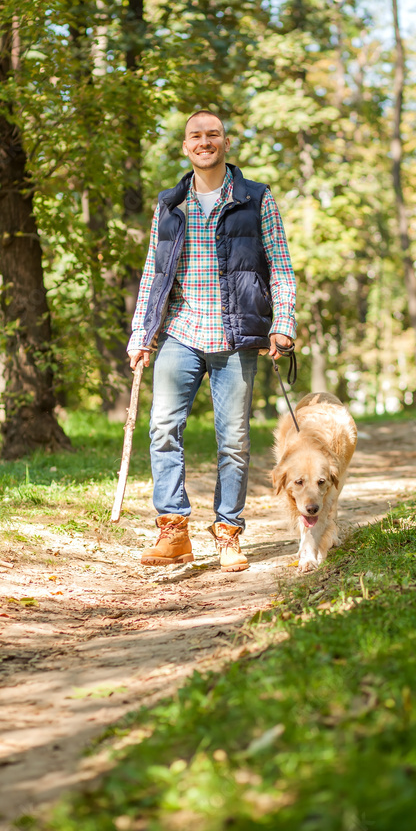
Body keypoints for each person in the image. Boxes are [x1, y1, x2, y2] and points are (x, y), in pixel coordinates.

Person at [127, 109, 296, 572]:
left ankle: (228, 532)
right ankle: (173, 530)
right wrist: (141, 334)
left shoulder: (256, 198)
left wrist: (283, 323)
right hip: (181, 331)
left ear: (226, 143)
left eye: (213, 134)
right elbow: (153, 274)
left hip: (235, 334)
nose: (205, 141)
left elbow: (281, 268)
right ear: (186, 146)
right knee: (163, 428)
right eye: (196, 136)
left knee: (234, 440)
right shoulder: (170, 204)